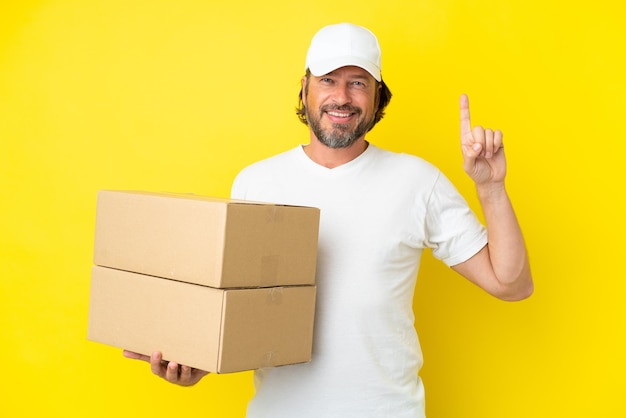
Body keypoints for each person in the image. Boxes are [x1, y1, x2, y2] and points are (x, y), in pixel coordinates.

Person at [124, 22, 533, 417]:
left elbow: (511, 284)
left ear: (378, 98)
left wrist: (491, 188)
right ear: (304, 88)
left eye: (358, 82)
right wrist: (193, 360)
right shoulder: (255, 181)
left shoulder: (417, 182)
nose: (342, 96)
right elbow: (232, 314)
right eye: (328, 80)